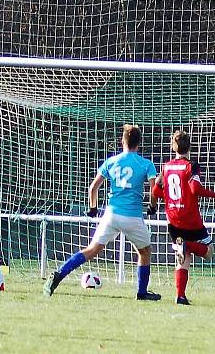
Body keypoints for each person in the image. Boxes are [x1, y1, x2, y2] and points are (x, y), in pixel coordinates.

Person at [44, 124, 161, 301]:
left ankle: (59, 274)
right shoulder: (146, 164)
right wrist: (152, 206)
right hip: (132, 216)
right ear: (139, 143)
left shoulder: (111, 162)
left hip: (111, 214)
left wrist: (93, 208)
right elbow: (154, 190)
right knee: (144, 252)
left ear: (123, 141)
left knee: (91, 250)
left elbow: (93, 187)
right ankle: (141, 292)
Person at [151, 130, 215, 305]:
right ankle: (188, 245)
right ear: (189, 147)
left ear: (173, 147)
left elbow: (155, 191)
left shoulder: (167, 166)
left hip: (173, 219)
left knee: (183, 256)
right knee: (209, 253)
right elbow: (195, 189)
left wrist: (168, 197)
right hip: (191, 219)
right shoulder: (192, 165)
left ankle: (180, 295)